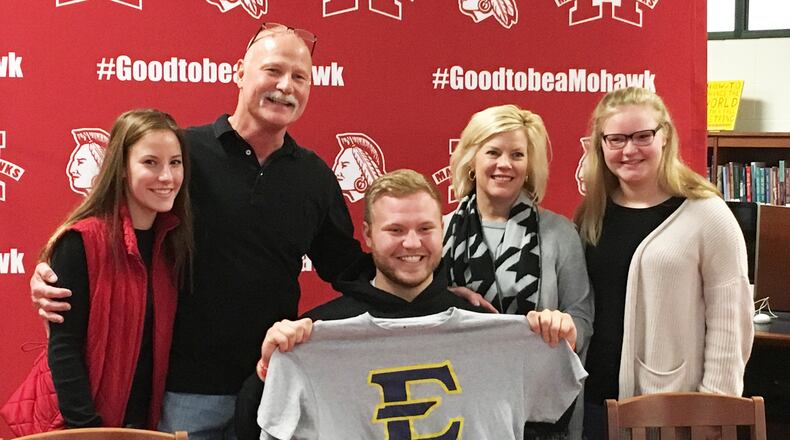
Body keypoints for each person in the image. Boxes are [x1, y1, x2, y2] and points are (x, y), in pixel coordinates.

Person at [31, 22, 363, 439]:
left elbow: (350, 269)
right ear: (239, 72)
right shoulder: (182, 155)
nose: (286, 86)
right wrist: (52, 273)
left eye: (300, 77)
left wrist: (431, 291)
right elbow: (110, 239)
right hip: (180, 393)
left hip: (272, 387)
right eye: (273, 71)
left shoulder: (315, 177)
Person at [239, 169, 585, 439]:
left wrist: (556, 349)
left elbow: (547, 422)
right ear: (368, 235)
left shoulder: (487, 326)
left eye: (425, 228)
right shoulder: (319, 335)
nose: (412, 243)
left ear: (442, 232)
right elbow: (253, 428)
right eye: (395, 230)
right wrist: (268, 368)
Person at [573, 87, 754, 440]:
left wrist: (714, 410)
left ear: (665, 136)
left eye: (642, 136)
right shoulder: (593, 214)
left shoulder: (707, 214)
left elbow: (730, 323)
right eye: (616, 139)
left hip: (671, 411)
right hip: (596, 404)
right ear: (601, 144)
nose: (629, 150)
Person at [443, 104, 593, 439]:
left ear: (529, 166)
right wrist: (443, 300)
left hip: (539, 410)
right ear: (471, 159)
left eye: (517, 154)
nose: (504, 164)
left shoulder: (560, 234)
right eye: (493, 152)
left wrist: (565, 327)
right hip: (459, 407)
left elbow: (582, 319)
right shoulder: (438, 232)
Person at [44, 109, 192, 429]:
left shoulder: (172, 244)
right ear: (121, 168)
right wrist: (88, 430)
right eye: (150, 162)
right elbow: (63, 346)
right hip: (83, 427)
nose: (166, 176)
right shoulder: (80, 240)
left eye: (175, 162)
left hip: (144, 427)